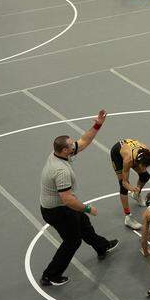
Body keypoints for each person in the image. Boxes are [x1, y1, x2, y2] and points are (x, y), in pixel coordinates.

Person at [38, 110, 119, 287]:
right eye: (70, 144)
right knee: (73, 241)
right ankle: (50, 275)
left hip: (60, 206)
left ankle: (101, 246)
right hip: (57, 210)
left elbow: (83, 142)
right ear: (65, 150)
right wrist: (88, 208)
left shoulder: (57, 153)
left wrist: (98, 124)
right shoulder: (61, 171)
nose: (74, 145)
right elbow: (67, 199)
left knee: (83, 223)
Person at [111, 138, 150, 230]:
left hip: (133, 151)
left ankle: (136, 195)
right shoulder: (128, 160)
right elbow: (124, 183)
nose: (144, 168)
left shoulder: (147, 152)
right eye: (143, 166)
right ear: (138, 162)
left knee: (145, 175)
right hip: (117, 154)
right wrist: (131, 188)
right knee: (123, 187)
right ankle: (128, 217)